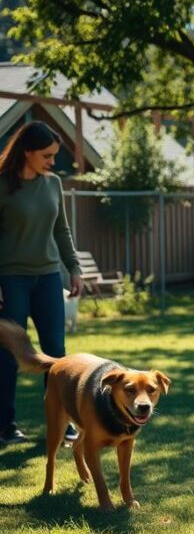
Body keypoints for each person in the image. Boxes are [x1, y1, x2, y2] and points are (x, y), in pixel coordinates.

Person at [0, 121, 84, 445]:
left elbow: (61, 230)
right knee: (8, 353)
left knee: (56, 354)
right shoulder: (3, 185)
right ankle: (6, 425)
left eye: (54, 156)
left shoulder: (53, 184)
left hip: (49, 277)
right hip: (11, 279)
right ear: (27, 152)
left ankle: (62, 422)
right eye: (47, 155)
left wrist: (73, 267)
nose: (52, 162)